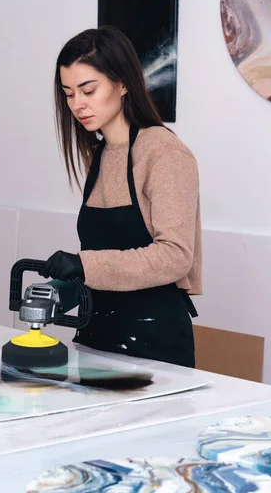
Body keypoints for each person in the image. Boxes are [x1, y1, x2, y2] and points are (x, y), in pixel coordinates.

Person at [38, 25, 202, 368]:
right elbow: (106, 267)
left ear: (123, 83)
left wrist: (85, 264)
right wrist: (62, 290)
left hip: (153, 341)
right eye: (69, 94)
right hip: (96, 332)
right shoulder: (99, 154)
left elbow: (175, 256)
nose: (78, 104)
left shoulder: (165, 154)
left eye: (88, 90)